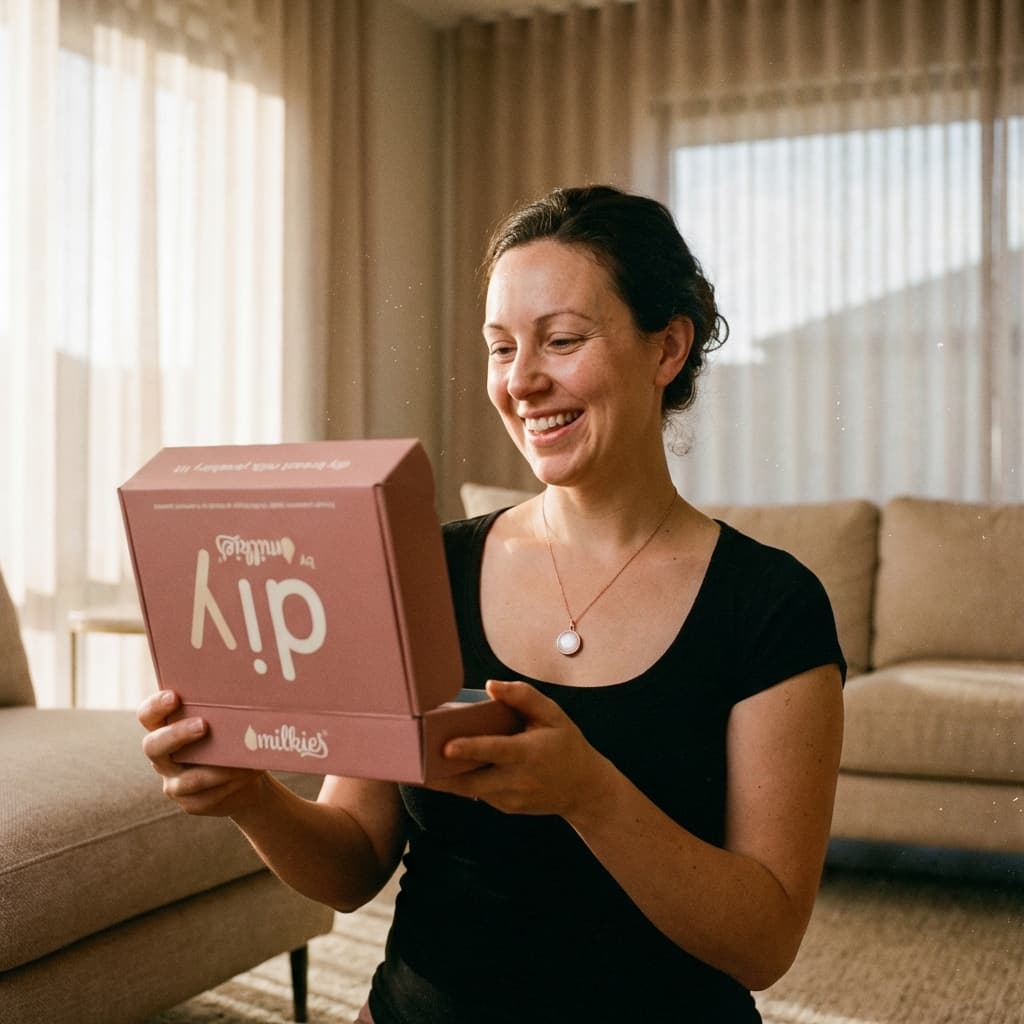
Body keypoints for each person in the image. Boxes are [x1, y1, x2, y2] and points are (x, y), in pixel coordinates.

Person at [139, 184, 845, 1023]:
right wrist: (250, 797)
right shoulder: (425, 567)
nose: (523, 381)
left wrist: (589, 793)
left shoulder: (770, 604)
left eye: (563, 340)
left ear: (668, 349)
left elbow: (763, 946)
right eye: (500, 347)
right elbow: (357, 858)